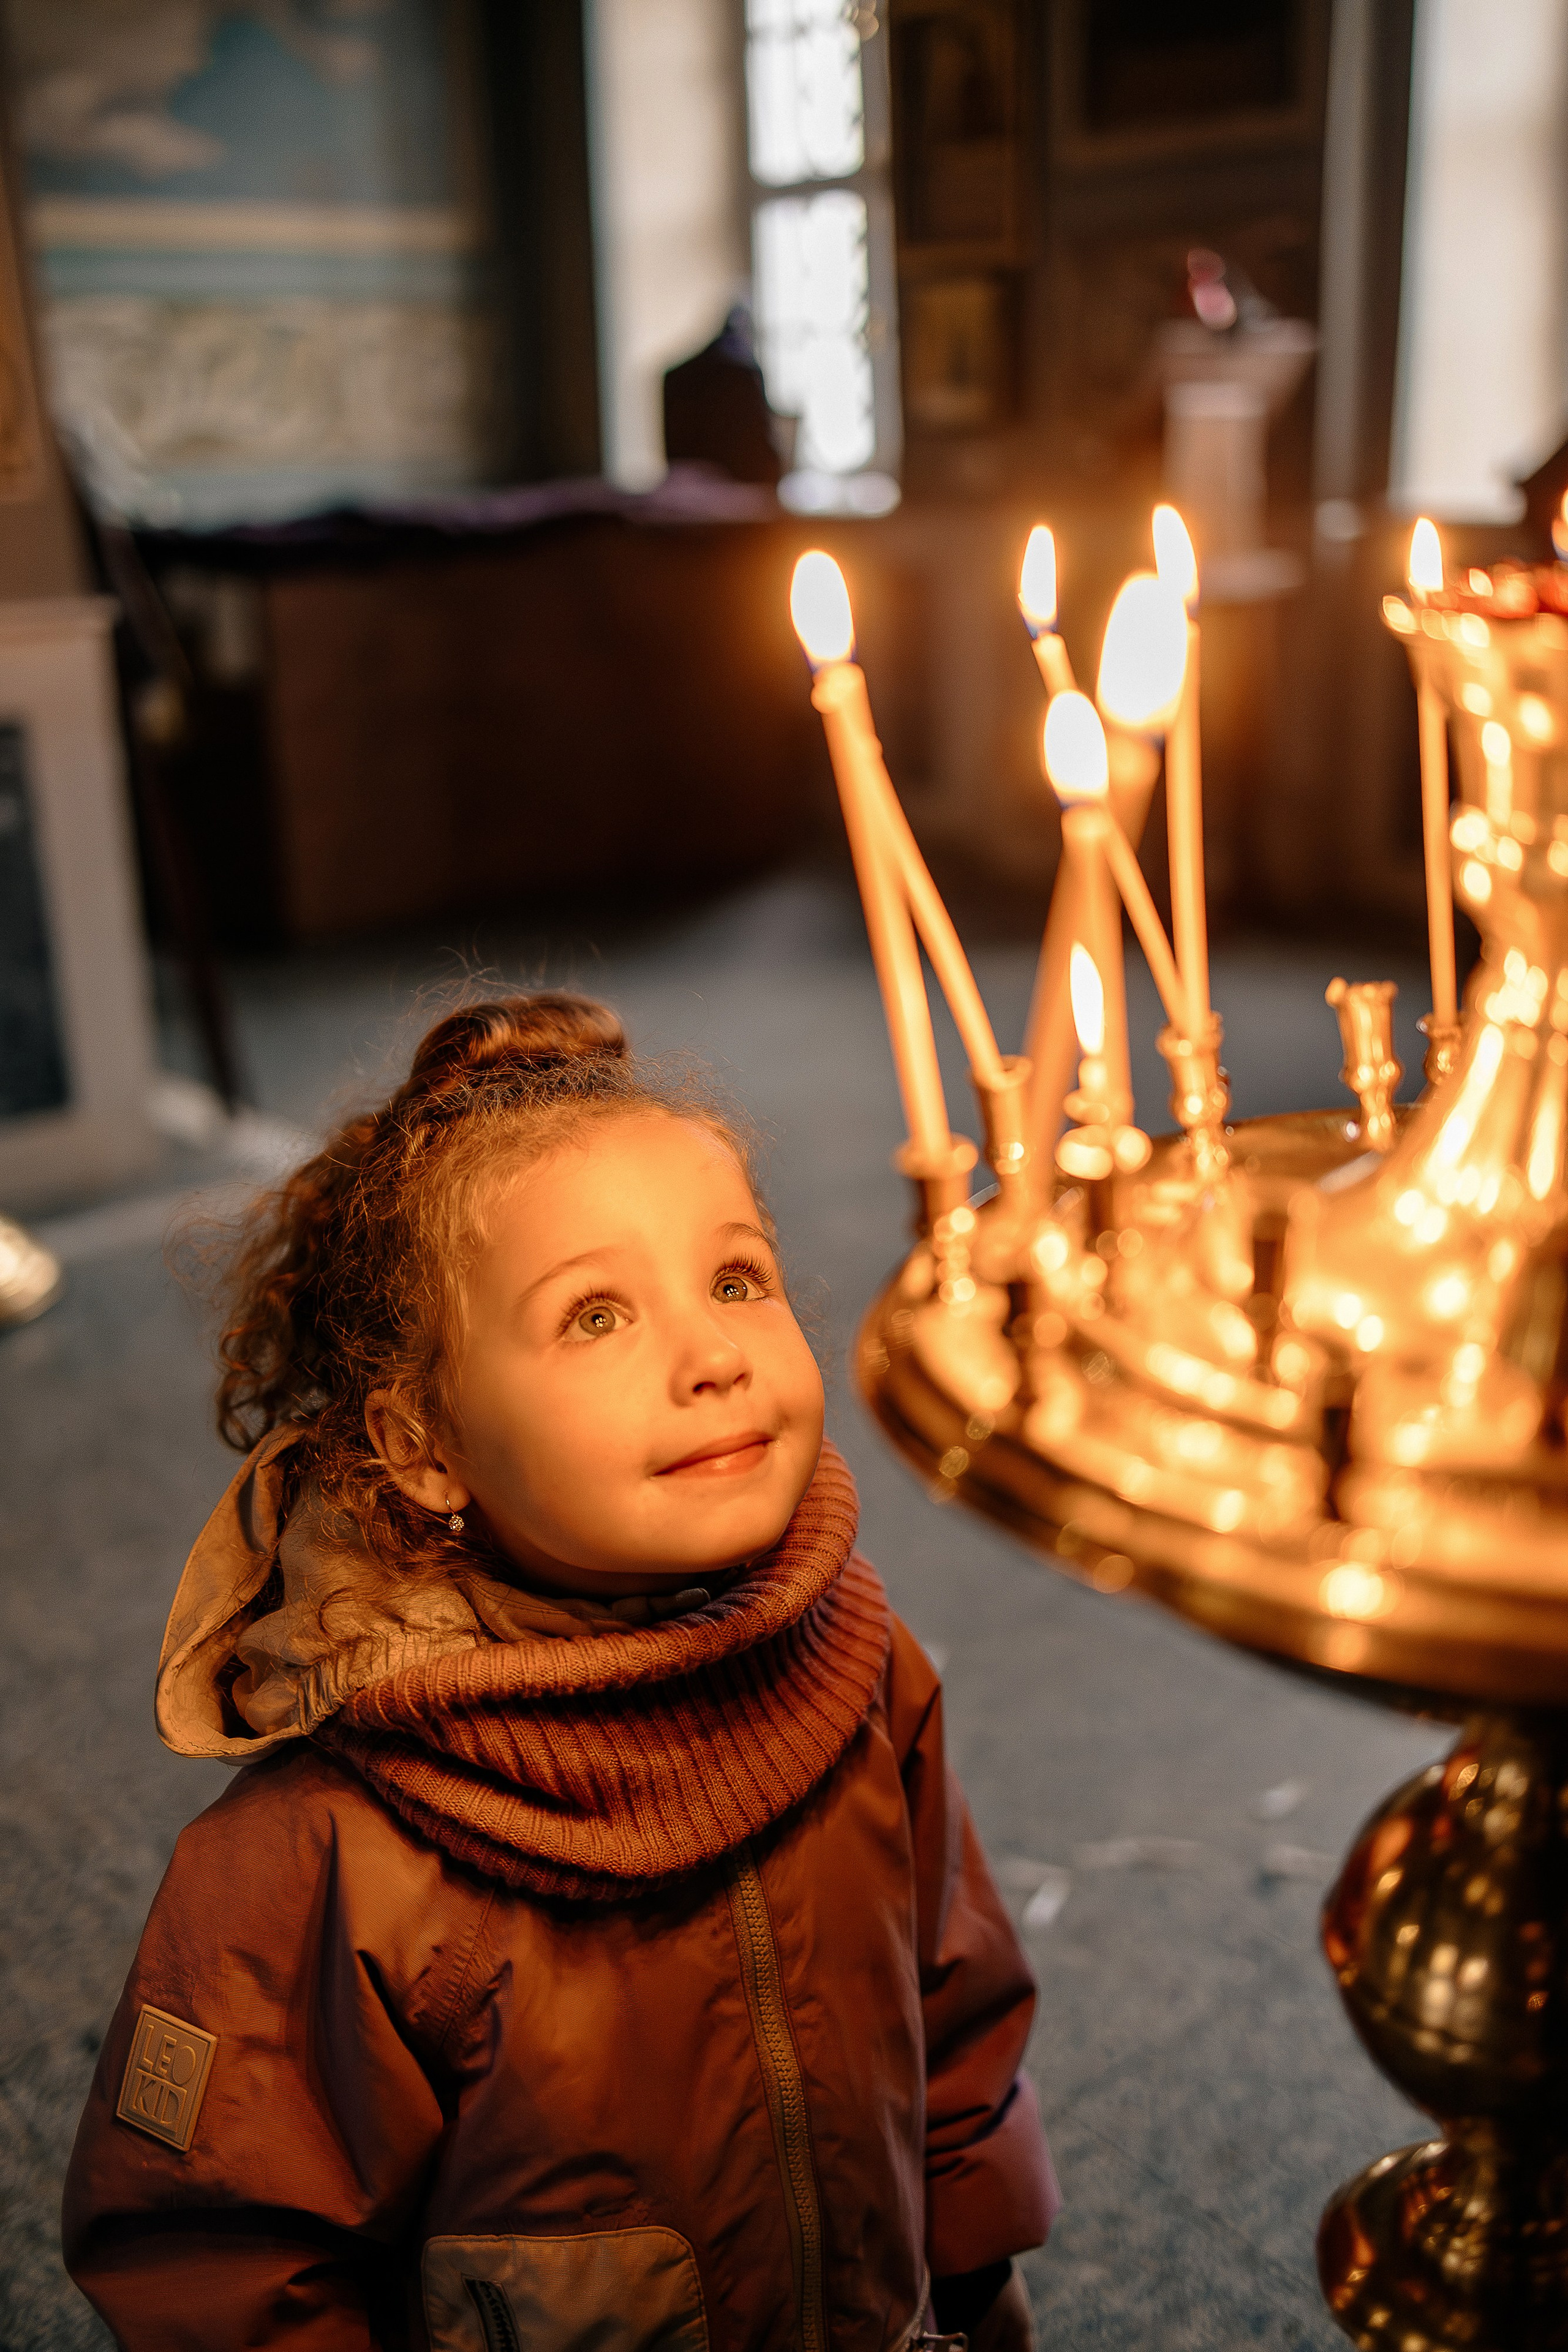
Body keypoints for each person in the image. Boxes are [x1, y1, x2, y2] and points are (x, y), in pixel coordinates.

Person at [62, 994, 1058, 2352]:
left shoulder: (860, 1666)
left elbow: (959, 2008)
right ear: (421, 1444)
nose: (711, 1358)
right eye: (594, 1316)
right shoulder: (323, 1858)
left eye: (734, 1280)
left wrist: (978, 2269)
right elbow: (219, 2256)